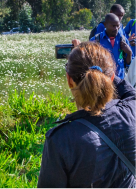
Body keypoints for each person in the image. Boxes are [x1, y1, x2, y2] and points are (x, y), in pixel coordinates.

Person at [37, 42, 136, 189]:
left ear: (69, 80)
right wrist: (101, 69)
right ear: (112, 77)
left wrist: (87, 64)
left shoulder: (60, 140)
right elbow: (130, 93)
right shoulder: (132, 113)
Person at [76, 13, 132, 79]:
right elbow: (89, 62)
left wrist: (129, 52)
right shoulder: (96, 40)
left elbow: (128, 63)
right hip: (103, 80)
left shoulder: (123, 39)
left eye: (118, 26)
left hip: (120, 80)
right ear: (105, 25)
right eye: (113, 26)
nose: (116, 28)